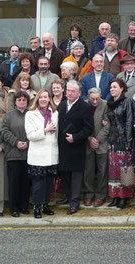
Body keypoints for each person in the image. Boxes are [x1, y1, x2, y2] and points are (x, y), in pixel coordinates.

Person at [57, 80, 94, 215]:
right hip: (62, 146)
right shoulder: (61, 105)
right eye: (68, 91)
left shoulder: (85, 107)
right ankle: (67, 197)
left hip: (76, 147)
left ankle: (74, 202)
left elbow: (88, 128)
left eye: (73, 91)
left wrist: (76, 137)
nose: (70, 93)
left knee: (76, 176)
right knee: (64, 174)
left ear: (79, 93)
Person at [25, 89, 59, 219]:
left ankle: (45, 205)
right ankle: (36, 207)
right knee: (39, 184)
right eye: (41, 97)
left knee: (49, 183)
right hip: (38, 154)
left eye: (46, 97)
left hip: (51, 153)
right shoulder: (30, 114)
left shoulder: (54, 113)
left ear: (49, 99)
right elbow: (30, 135)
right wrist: (45, 130)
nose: (43, 99)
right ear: (37, 99)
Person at [0, 91, 30, 217]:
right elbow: (4, 131)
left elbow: (36, 130)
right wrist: (16, 142)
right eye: (19, 100)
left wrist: (28, 142)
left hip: (28, 155)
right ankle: (13, 208)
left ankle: (24, 206)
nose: (21, 102)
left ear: (27, 102)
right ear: (15, 102)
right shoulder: (9, 115)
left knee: (26, 183)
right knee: (14, 183)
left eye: (24, 100)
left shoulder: (32, 114)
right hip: (13, 154)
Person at [106, 78, 133, 209]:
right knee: (113, 171)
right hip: (111, 141)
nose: (112, 89)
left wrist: (128, 141)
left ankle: (124, 198)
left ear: (122, 88)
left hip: (122, 140)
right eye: (111, 87)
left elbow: (129, 122)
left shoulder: (127, 102)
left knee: (124, 170)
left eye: (115, 87)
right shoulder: (109, 103)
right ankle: (115, 197)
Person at [83, 88, 110, 207]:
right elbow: (80, 123)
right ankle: (88, 194)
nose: (95, 101)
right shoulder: (83, 105)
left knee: (102, 171)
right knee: (88, 170)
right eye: (92, 99)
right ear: (88, 97)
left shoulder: (105, 105)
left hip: (101, 142)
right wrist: (89, 138)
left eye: (97, 99)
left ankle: (100, 195)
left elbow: (108, 124)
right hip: (87, 142)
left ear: (101, 96)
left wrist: (97, 139)